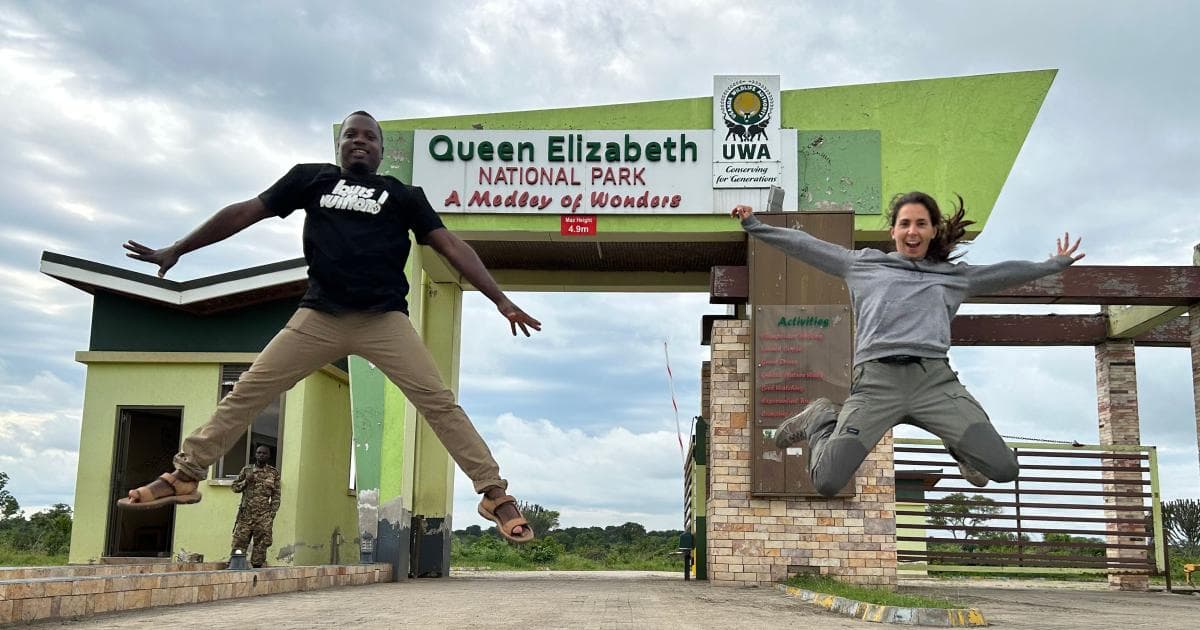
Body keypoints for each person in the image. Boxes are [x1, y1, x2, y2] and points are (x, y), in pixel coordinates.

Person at [117, 111, 537, 543]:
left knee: (439, 403)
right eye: (351, 135)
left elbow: (451, 245)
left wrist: (500, 299)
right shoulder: (310, 180)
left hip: (384, 320)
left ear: (381, 150)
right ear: (339, 146)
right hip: (319, 316)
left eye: (369, 137)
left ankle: (494, 494)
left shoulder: (403, 195)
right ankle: (186, 475)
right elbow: (245, 212)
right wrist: (181, 248)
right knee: (248, 389)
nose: (360, 141)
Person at [732, 192, 1084, 496]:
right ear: (894, 231)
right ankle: (821, 419)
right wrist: (755, 225)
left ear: (932, 231)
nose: (912, 231)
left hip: (934, 383)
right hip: (876, 384)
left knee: (1005, 469)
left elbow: (1005, 272)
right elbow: (807, 246)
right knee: (827, 481)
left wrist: (1053, 264)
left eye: (920, 223)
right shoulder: (863, 265)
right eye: (904, 223)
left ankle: (960, 449)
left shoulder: (954, 277)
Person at [231, 445, 281, 568]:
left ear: (268, 456)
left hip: (264, 516)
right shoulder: (247, 470)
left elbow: (276, 495)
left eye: (264, 453)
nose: (261, 455)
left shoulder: (273, 473)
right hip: (246, 514)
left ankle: (257, 570)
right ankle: (236, 567)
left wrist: (272, 513)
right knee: (239, 543)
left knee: (262, 544)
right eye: (258, 453)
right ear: (255, 454)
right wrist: (246, 481)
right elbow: (234, 487)